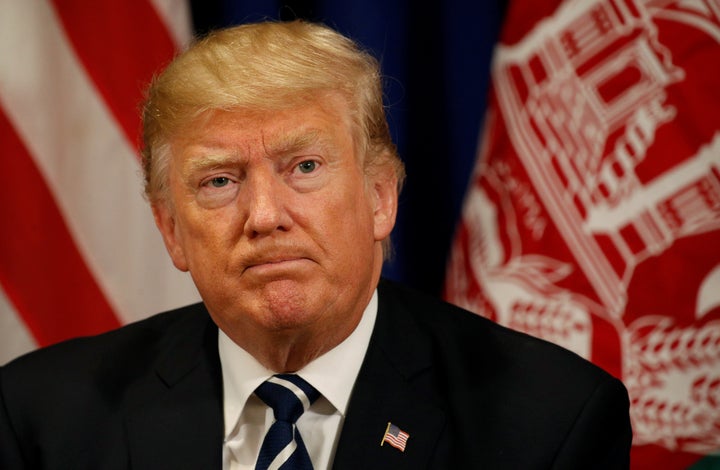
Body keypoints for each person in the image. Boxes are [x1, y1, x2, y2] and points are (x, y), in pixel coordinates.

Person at [0, 20, 632, 469]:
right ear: (171, 229)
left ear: (381, 197)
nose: (266, 216)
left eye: (304, 166)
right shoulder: (42, 419)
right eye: (220, 181)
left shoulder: (549, 422)